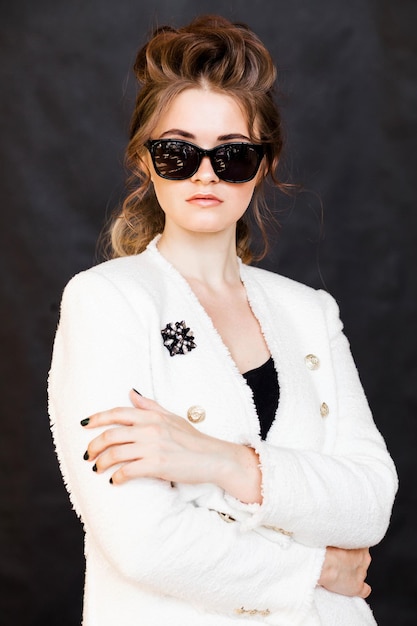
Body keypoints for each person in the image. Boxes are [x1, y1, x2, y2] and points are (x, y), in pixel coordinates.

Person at [48, 14, 398, 626]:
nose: (206, 173)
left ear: (263, 164)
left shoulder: (308, 311)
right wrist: (317, 569)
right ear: (145, 160)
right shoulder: (105, 301)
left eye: (232, 155)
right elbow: (143, 542)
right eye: (178, 151)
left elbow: (370, 503)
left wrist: (221, 461)